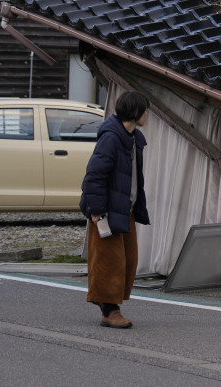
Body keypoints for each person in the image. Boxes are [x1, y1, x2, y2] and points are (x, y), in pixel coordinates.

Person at [80, 91, 152, 329]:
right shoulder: (111, 138)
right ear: (135, 112)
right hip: (107, 211)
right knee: (110, 262)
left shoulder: (133, 138)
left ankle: (110, 308)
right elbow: (94, 177)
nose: (147, 115)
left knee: (128, 261)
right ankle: (110, 311)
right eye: (145, 110)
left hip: (125, 209)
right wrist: (98, 211)